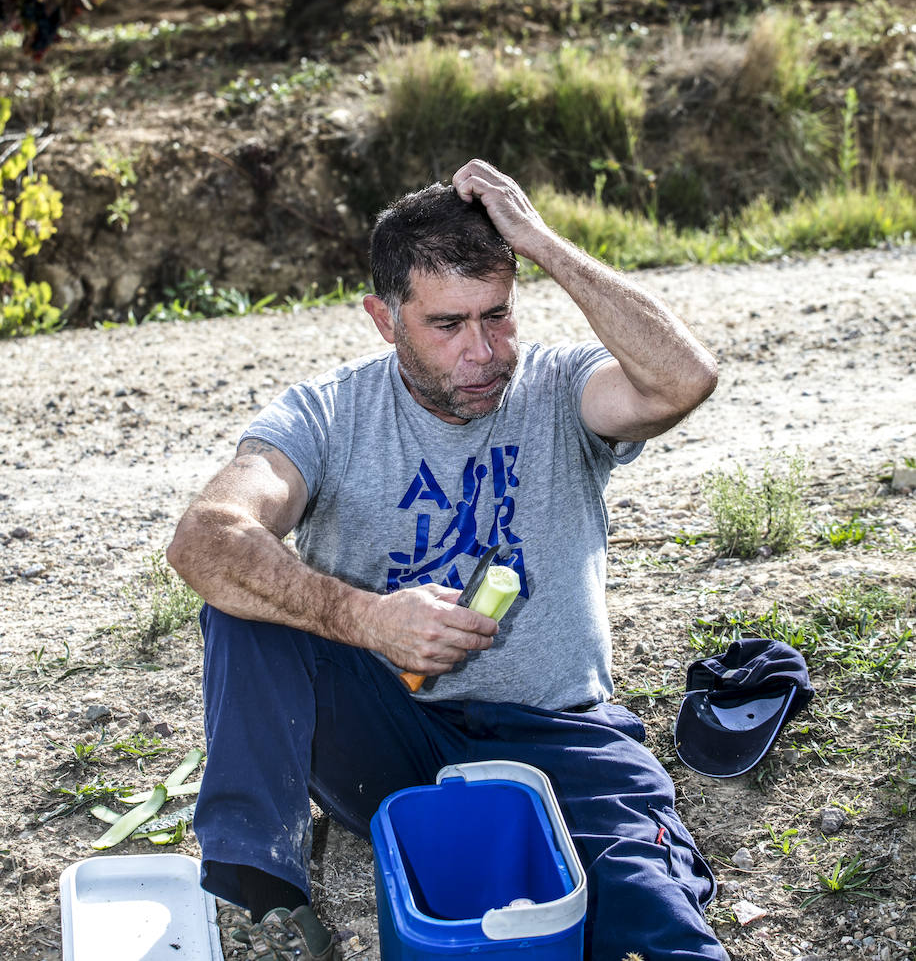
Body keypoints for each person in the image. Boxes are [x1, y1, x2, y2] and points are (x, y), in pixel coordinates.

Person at [167, 158, 727, 961]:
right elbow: (205, 536)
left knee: (646, 923)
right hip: (389, 735)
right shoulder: (328, 413)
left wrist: (542, 242)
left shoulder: (560, 387)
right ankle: (264, 899)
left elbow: (684, 379)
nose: (485, 352)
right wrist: (366, 618)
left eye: (498, 315)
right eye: (448, 324)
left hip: (557, 738)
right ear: (384, 318)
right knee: (244, 605)